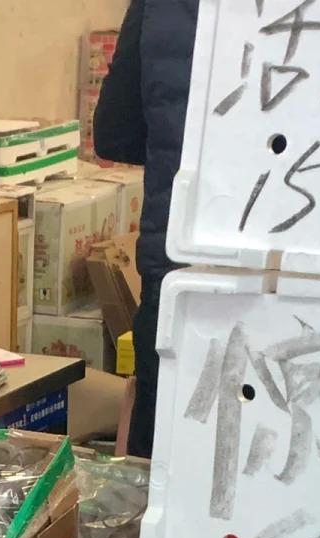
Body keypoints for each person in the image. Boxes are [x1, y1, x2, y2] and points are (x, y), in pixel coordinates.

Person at [93, 0, 200, 458]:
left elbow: (114, 133)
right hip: (310, 275)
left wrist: (173, 145)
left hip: (181, 263)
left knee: (163, 461)